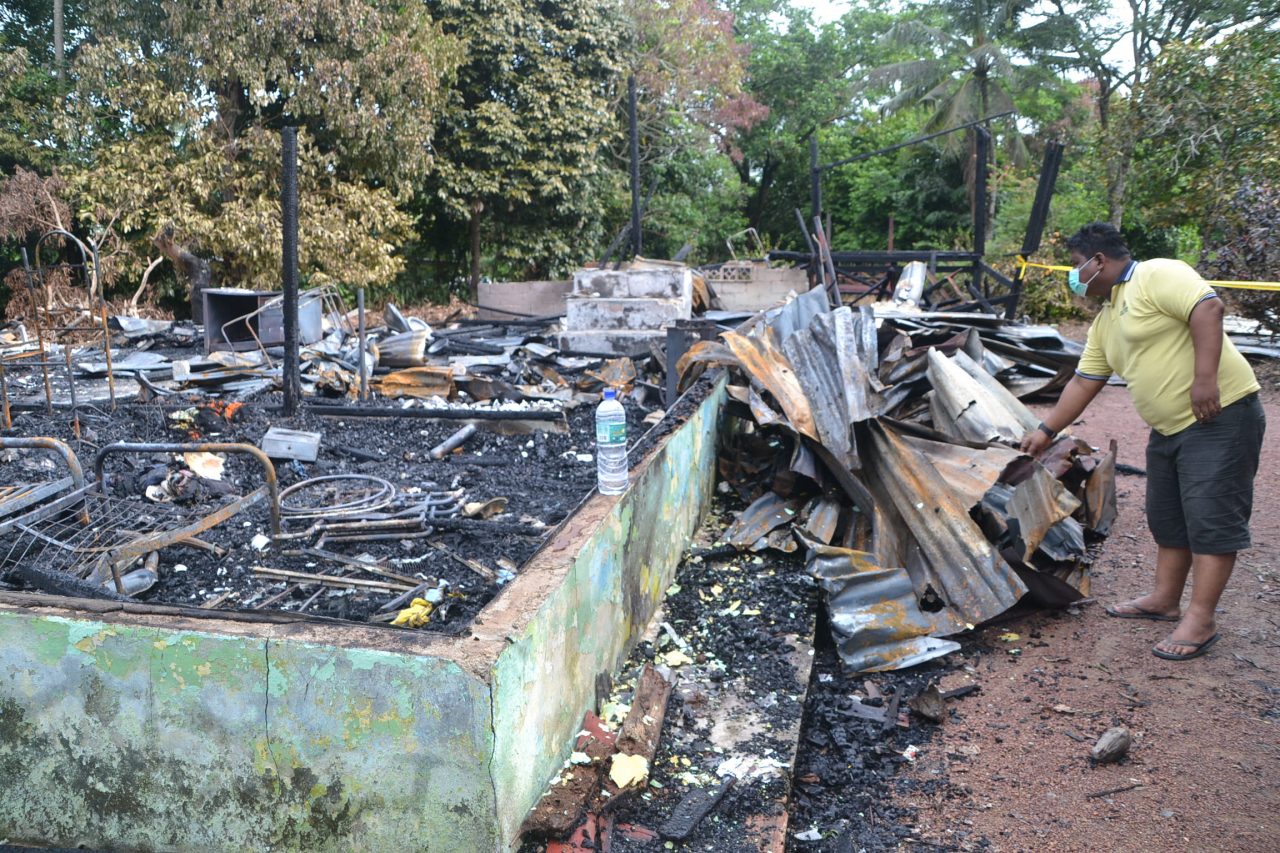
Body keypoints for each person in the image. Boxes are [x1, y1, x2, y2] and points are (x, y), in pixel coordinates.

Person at [1019, 222, 1265, 661]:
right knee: (1168, 517)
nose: (1074, 276)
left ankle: (1201, 618)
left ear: (1099, 260)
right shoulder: (1107, 319)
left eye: (1077, 266)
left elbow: (1208, 308)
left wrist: (1205, 380)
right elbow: (1083, 381)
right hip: (1169, 429)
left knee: (1211, 517)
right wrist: (1044, 431)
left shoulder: (1156, 274)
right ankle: (1165, 600)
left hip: (1221, 417)